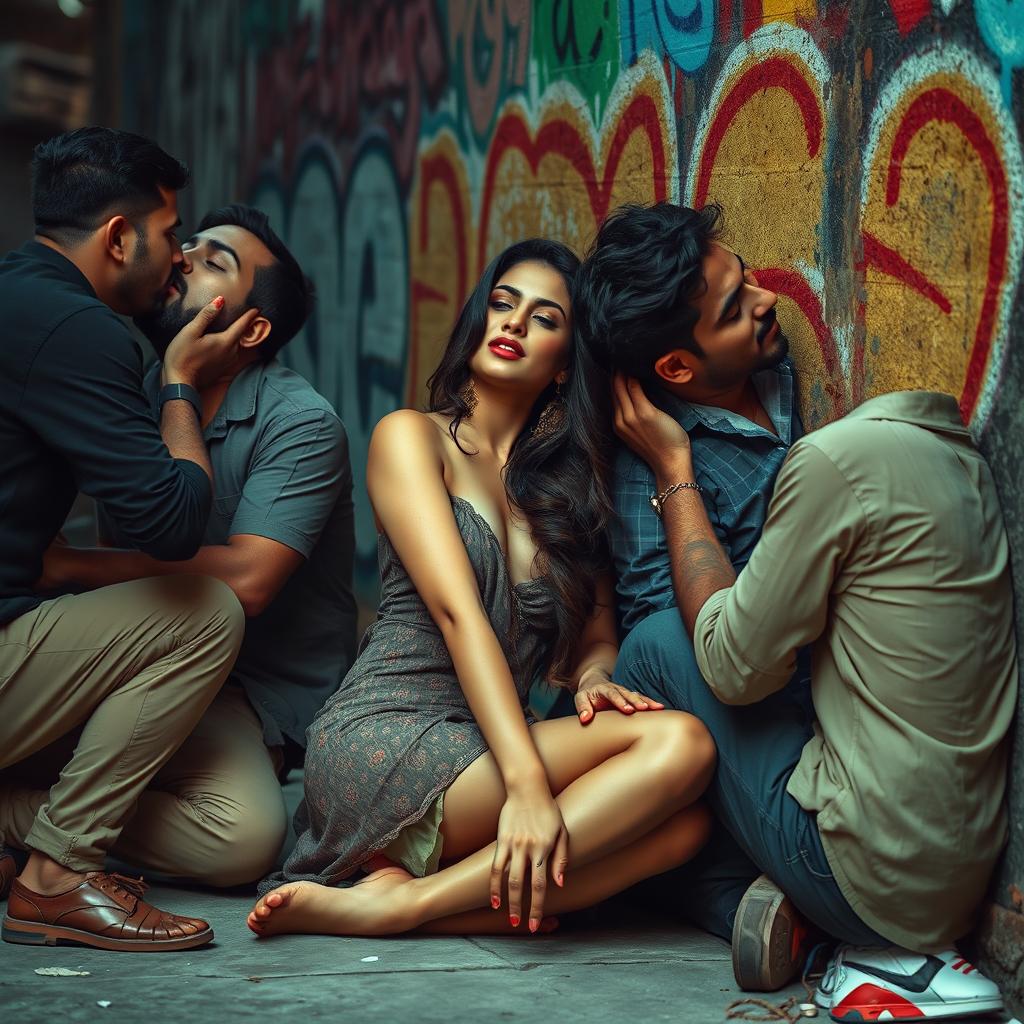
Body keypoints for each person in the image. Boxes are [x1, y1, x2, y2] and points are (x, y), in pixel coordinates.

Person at [247, 239, 715, 939]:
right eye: (503, 303)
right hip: (383, 736)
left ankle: (415, 903)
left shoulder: (564, 489)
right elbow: (458, 614)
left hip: (487, 745)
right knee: (683, 747)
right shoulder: (411, 438)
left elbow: (595, 634)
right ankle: (413, 905)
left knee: (686, 832)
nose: (514, 324)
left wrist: (591, 677)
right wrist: (527, 784)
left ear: (564, 366)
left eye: (544, 318)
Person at [609, 367, 1015, 1015]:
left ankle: (824, 937)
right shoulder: (951, 453)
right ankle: (807, 921)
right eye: (733, 297)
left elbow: (731, 666)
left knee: (657, 644)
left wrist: (674, 474)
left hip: (867, 879)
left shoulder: (832, 460)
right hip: (958, 873)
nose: (763, 299)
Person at [8, 204, 358, 888]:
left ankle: (17, 820)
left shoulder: (301, 422)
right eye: (187, 244)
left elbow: (248, 583)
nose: (183, 259)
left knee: (242, 838)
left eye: (214, 262)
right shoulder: (136, 393)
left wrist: (68, 566)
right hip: (145, 659)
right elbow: (135, 575)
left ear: (252, 327)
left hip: (237, 690)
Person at [0, 126, 253, 951]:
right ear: (119, 237)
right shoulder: (76, 330)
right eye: (175, 235)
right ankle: (55, 878)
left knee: (240, 822)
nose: (182, 261)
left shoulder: (17, 294)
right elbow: (175, 525)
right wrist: (179, 380)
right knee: (203, 611)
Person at [575, 201, 809, 987]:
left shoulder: (777, 376)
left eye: (746, 281)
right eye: (737, 307)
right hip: (740, 703)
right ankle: (731, 891)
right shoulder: (653, 464)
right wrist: (678, 470)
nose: (767, 302)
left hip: (813, 688)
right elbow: (665, 646)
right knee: (660, 646)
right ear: (676, 368)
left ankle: (716, 885)